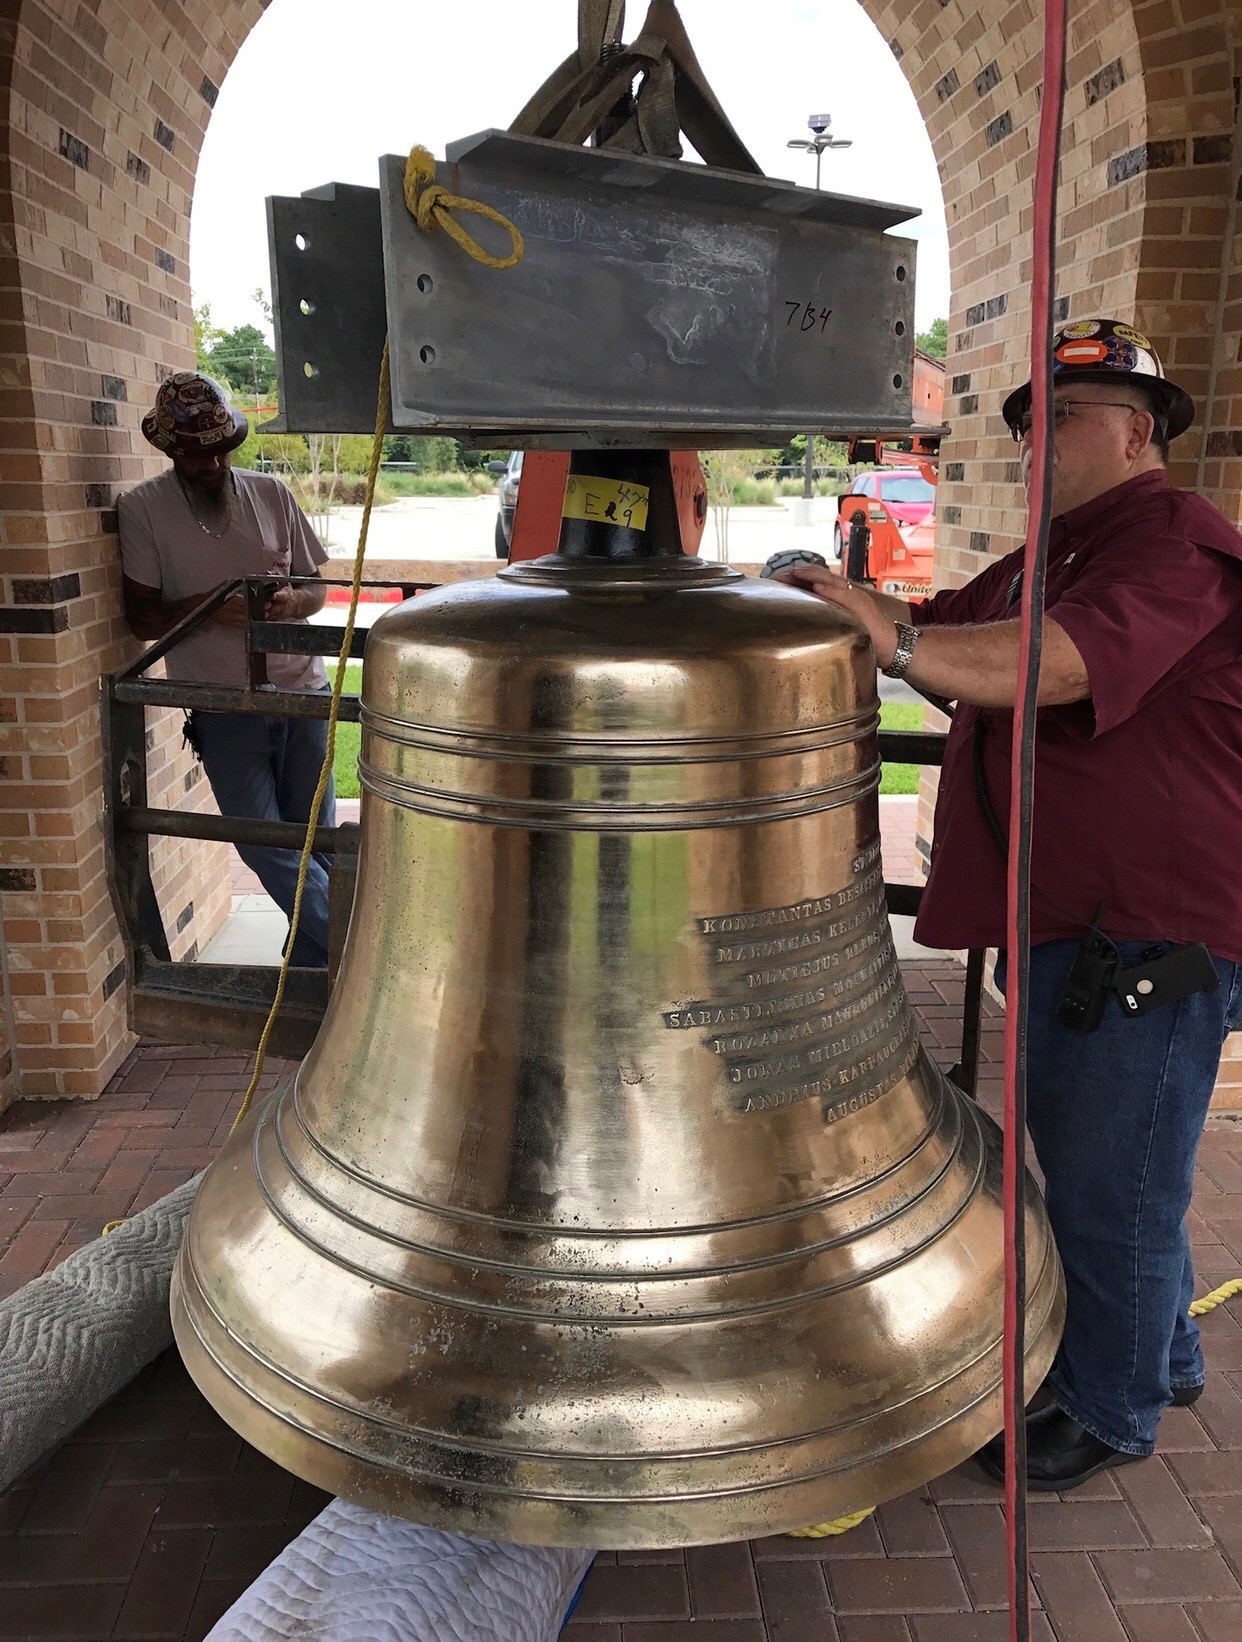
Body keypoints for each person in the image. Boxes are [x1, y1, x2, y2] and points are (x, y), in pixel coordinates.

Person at [783, 319, 1242, 1491]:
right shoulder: (1060, 550)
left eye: (1070, 417)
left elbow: (1052, 665)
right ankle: (1165, 1354)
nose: (1041, 439)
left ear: (1140, 432)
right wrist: (840, 600)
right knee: (1112, 1165)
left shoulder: (1177, 547)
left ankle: (1110, 1407)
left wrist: (887, 636)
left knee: (1105, 1183)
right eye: (1032, 420)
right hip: (1074, 919)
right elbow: (951, 633)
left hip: (1147, 932)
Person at [118, 372, 336, 969]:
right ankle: (353, 949)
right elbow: (141, 619)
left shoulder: (271, 493)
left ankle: (318, 973)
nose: (213, 461)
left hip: (303, 693)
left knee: (319, 841)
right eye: (198, 452)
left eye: (222, 447)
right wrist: (210, 606)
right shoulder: (142, 510)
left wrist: (295, 601)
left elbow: (316, 586)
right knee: (265, 843)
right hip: (222, 706)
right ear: (170, 449)